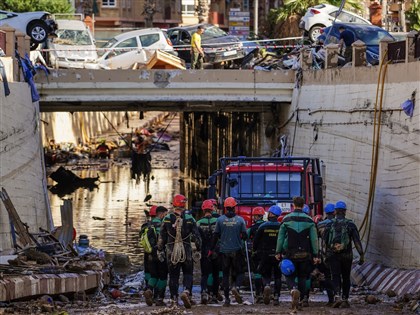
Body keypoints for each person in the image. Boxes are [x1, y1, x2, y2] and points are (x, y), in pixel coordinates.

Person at [275, 196, 320, 312]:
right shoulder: (309, 220)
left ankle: (293, 290)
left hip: (290, 254)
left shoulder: (286, 219)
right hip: (305, 254)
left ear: (293, 205)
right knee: (303, 277)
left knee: (289, 274)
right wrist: (316, 255)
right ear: (303, 204)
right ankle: (300, 301)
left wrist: (278, 252)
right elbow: (314, 240)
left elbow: (280, 238)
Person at [157, 194, 202, 308]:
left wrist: (160, 250)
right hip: (186, 251)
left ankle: (174, 299)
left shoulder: (167, 219)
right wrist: (198, 249)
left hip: (172, 252)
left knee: (173, 276)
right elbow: (197, 237)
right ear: (184, 204)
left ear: (174, 204)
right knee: (188, 273)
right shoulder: (190, 219)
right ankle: (187, 292)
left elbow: (161, 237)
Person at [324, 200, 364, 308]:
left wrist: (326, 255)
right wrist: (361, 255)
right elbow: (357, 241)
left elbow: (325, 242)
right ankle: (345, 300)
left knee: (335, 275)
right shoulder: (350, 224)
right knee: (346, 277)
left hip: (333, 255)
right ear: (345, 211)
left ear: (335, 211)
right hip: (347, 255)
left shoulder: (329, 224)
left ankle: (337, 297)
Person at [210, 197, 247, 307]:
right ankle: (236, 287)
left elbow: (215, 236)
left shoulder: (220, 220)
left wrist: (211, 250)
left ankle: (227, 300)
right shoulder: (240, 220)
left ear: (225, 208)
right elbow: (245, 235)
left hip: (224, 252)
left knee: (226, 274)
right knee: (239, 272)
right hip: (237, 250)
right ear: (234, 207)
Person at [252, 205, 282, 305]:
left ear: (270, 214)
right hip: (277, 254)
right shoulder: (281, 226)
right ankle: (277, 296)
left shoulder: (263, 226)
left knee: (266, 274)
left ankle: (267, 286)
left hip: (265, 254)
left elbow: (255, 242)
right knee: (277, 276)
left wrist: (254, 251)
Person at [143, 206, 169, 306]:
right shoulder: (163, 225)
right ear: (161, 214)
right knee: (163, 276)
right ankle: (159, 299)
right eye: (165, 214)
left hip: (149, 254)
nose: (165, 217)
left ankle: (149, 289)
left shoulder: (145, 225)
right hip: (161, 253)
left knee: (153, 275)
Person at [197, 200, 220, 304]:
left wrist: (198, 249)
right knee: (215, 274)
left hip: (204, 250)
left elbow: (195, 238)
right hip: (216, 250)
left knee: (205, 274)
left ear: (203, 209)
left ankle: (204, 291)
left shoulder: (199, 223)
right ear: (212, 209)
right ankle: (214, 296)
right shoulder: (218, 221)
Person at [316, 203, 336, 306]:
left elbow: (317, 238)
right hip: (339, 254)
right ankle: (340, 296)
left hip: (326, 254)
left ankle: (331, 299)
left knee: (328, 276)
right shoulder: (341, 223)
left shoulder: (320, 225)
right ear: (335, 212)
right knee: (337, 276)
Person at [247, 206, 266, 303]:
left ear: (255, 217)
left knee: (257, 273)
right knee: (266, 273)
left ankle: (258, 294)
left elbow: (245, 236)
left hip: (256, 253)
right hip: (267, 253)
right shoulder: (267, 225)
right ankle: (266, 290)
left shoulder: (252, 228)